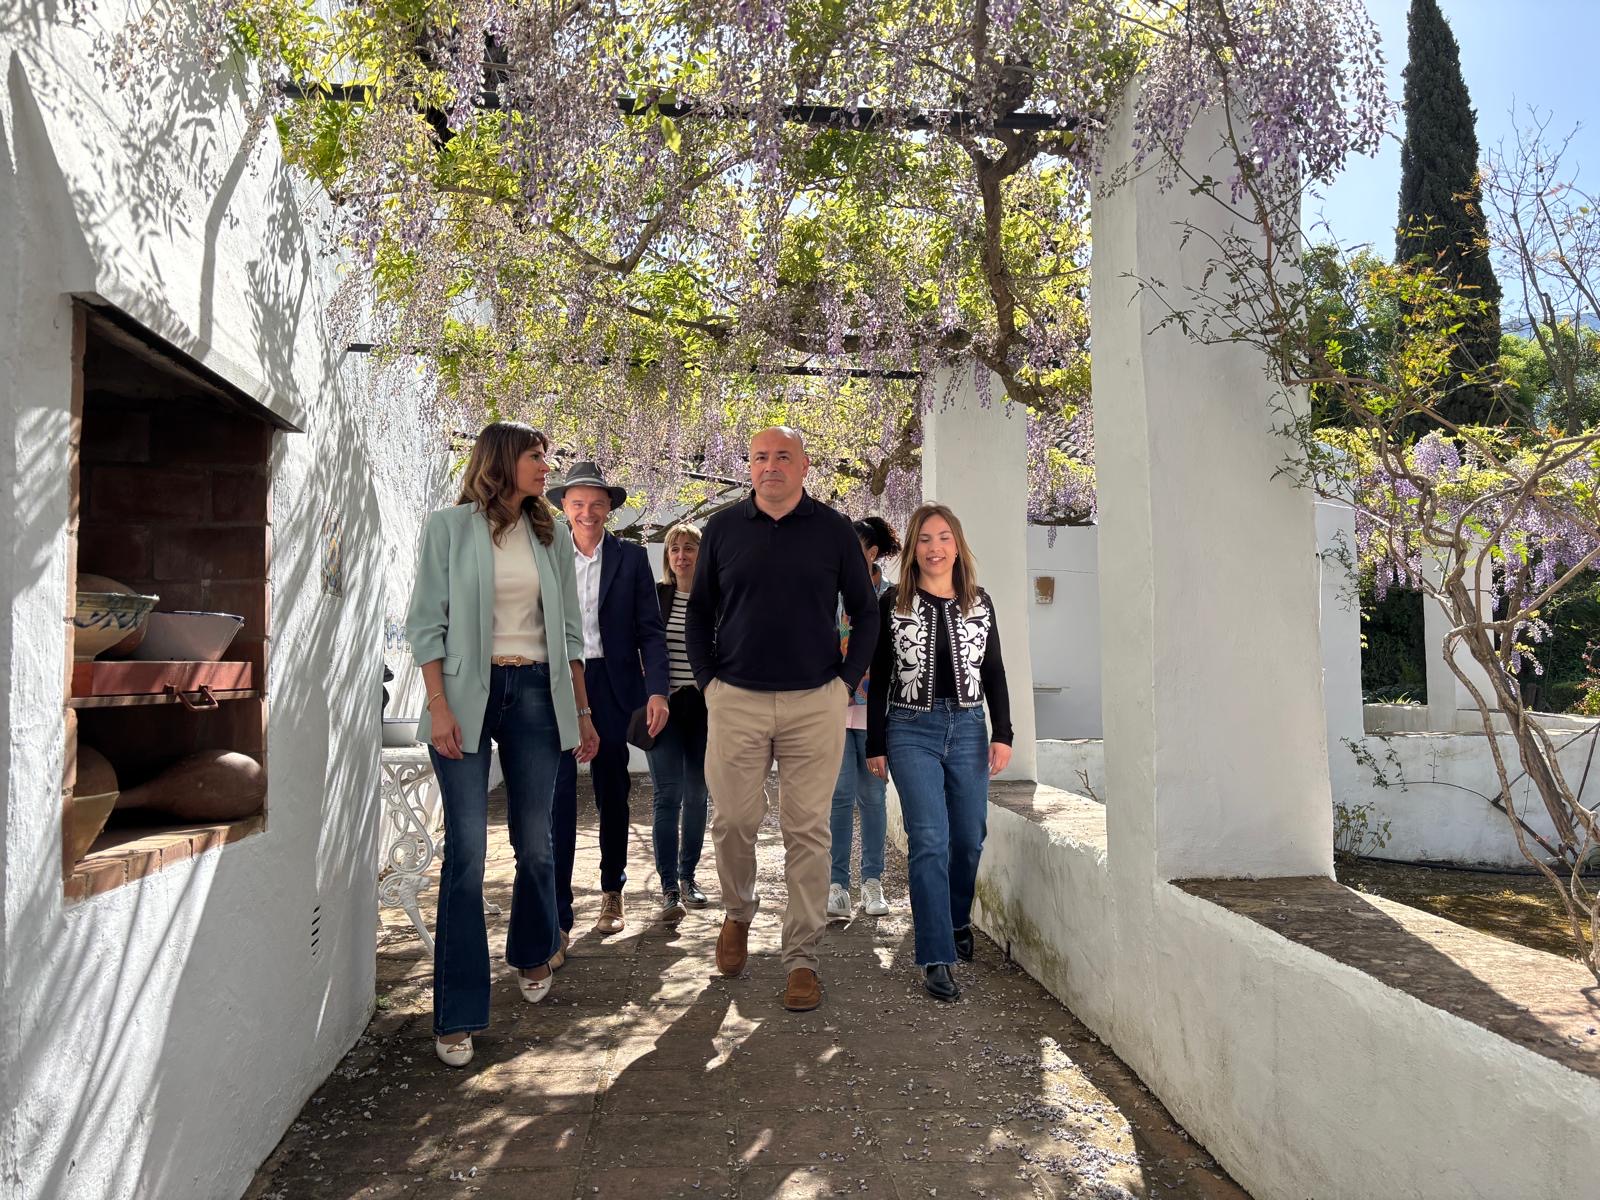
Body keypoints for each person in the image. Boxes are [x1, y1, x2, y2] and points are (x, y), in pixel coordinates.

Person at [406, 422, 600, 1067]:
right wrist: (437, 707)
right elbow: (425, 624)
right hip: (464, 698)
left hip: (539, 696)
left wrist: (583, 710)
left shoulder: (549, 534)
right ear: (501, 461)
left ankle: (529, 946)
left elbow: (569, 631)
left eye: (547, 455)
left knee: (537, 844)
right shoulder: (449, 528)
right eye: (536, 455)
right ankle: (457, 1013)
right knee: (464, 852)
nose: (547, 465)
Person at [686, 426, 879, 1012]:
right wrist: (709, 685)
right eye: (760, 457)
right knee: (735, 820)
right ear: (749, 466)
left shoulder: (833, 531)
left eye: (783, 457)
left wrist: (841, 687)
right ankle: (738, 913)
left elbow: (867, 613)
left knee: (808, 830)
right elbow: (698, 612)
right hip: (736, 698)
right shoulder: (721, 529)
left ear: (804, 465)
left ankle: (801, 957)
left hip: (812, 701)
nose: (771, 466)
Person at [866, 503, 1012, 1003]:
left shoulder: (980, 601)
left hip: (970, 727)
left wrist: (1003, 733)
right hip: (910, 729)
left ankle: (954, 920)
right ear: (913, 547)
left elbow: (994, 672)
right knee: (928, 837)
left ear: (957, 544)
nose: (934, 547)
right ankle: (935, 955)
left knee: (969, 837)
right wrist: (876, 741)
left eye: (944, 537)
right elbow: (881, 674)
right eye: (925, 538)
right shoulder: (893, 603)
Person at [548, 462, 669, 945]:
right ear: (564, 507)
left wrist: (656, 689)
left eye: (597, 504)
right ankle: (557, 904)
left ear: (610, 509)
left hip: (614, 684)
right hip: (559, 681)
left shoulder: (631, 558)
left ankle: (612, 889)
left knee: (612, 789)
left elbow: (649, 631)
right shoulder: (548, 553)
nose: (588, 512)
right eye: (578, 504)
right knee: (557, 790)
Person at [826, 516, 901, 922]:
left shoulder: (891, 596)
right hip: (835, 710)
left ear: (871, 553)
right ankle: (837, 886)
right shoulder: (831, 592)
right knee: (838, 798)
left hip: (877, 712)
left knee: (872, 798)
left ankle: (872, 881)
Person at [648, 523, 712, 923]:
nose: (682, 555)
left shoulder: (714, 599)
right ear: (668, 557)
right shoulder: (658, 598)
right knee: (667, 794)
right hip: (666, 708)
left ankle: (689, 877)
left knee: (699, 794)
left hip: (705, 709)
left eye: (689, 548)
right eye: (675, 549)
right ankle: (668, 885)